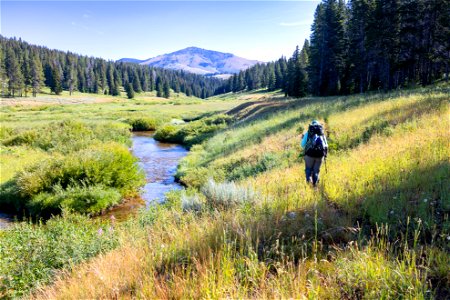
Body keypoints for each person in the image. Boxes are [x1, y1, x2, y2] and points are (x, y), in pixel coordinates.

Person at [300, 120, 328, 187]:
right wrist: (325, 155)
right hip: (320, 155)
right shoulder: (322, 134)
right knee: (316, 171)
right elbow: (326, 145)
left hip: (309, 155)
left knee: (308, 169)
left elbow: (302, 145)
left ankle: (309, 185)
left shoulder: (308, 133)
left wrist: (303, 138)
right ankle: (315, 187)